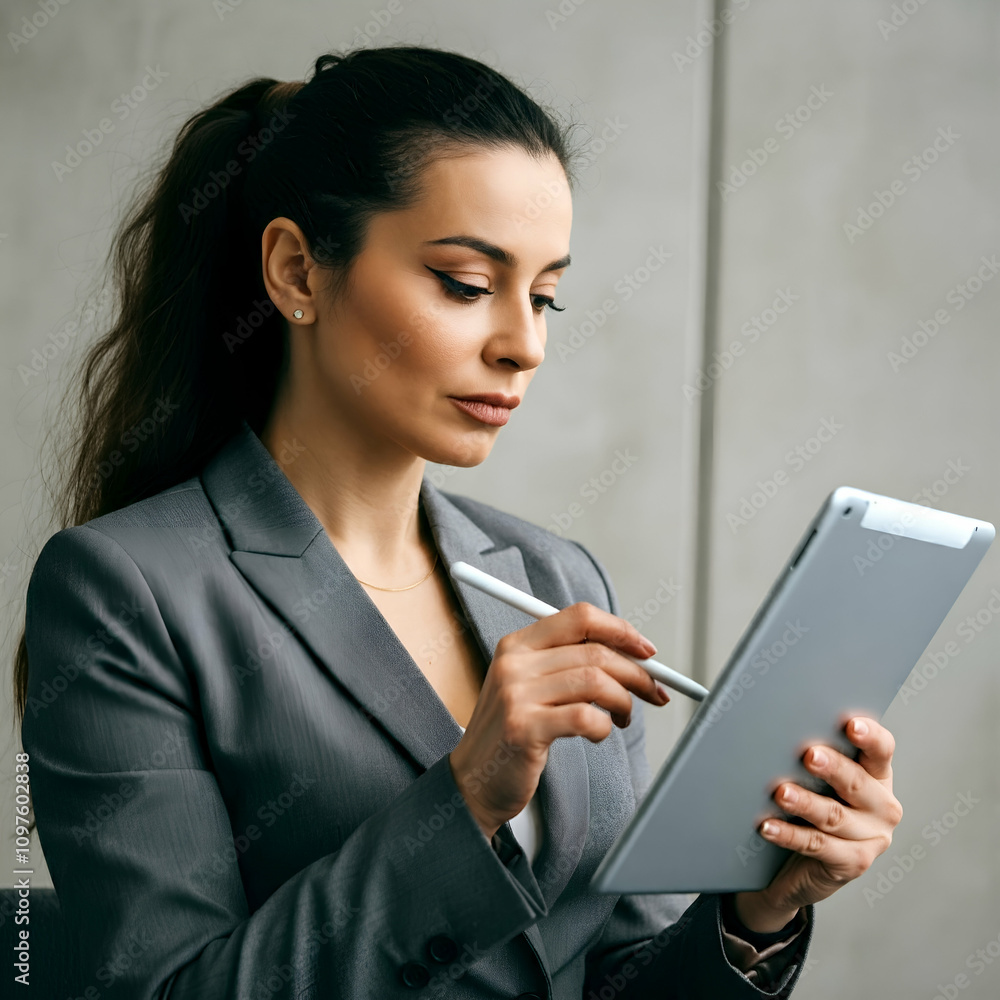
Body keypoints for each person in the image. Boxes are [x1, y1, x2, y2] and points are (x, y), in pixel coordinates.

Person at [15, 44, 902, 998]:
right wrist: (465, 799)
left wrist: (755, 911)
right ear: (296, 272)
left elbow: (619, 977)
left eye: (546, 294)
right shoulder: (126, 591)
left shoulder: (555, 579)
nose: (524, 344)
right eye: (467, 284)